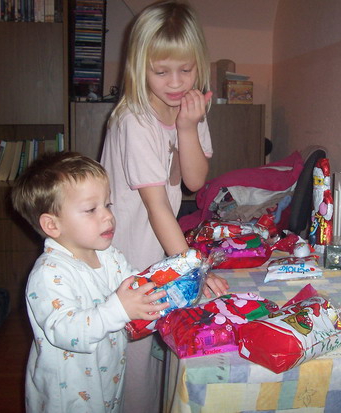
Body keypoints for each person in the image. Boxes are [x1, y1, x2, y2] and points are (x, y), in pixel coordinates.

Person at [100, 1, 229, 412]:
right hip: (124, 249)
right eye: (161, 72)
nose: (175, 83)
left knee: (163, 347)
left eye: (185, 70)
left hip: (157, 244)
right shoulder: (134, 120)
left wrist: (188, 127)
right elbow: (157, 207)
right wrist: (193, 270)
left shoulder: (189, 107)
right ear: (140, 68)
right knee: (134, 359)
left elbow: (194, 181)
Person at [11, 151, 170, 412]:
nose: (107, 216)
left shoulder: (108, 256)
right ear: (52, 225)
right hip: (68, 395)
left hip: (107, 379)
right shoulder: (48, 274)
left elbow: (136, 287)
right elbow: (66, 331)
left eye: (108, 204)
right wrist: (119, 309)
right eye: (91, 209)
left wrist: (169, 289)